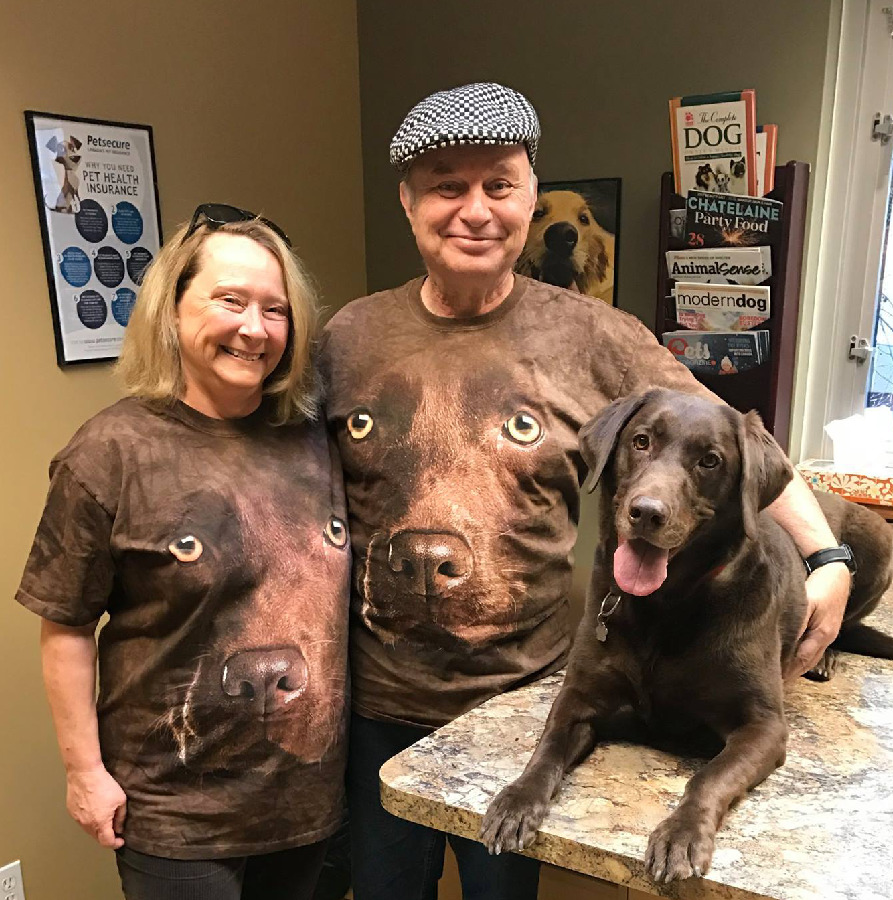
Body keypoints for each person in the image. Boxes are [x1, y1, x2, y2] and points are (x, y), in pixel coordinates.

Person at [318, 83, 851, 900]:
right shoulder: (348, 338)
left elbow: (727, 441)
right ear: (407, 200)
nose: (474, 209)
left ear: (531, 195)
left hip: (519, 698)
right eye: (445, 185)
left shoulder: (597, 335)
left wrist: (826, 556)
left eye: (498, 185)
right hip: (380, 704)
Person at [16, 205, 351, 900]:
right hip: (176, 808)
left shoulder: (315, 439)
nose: (253, 329)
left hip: (305, 794)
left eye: (275, 310)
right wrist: (85, 771)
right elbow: (66, 626)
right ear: (172, 309)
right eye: (229, 300)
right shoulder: (110, 453)